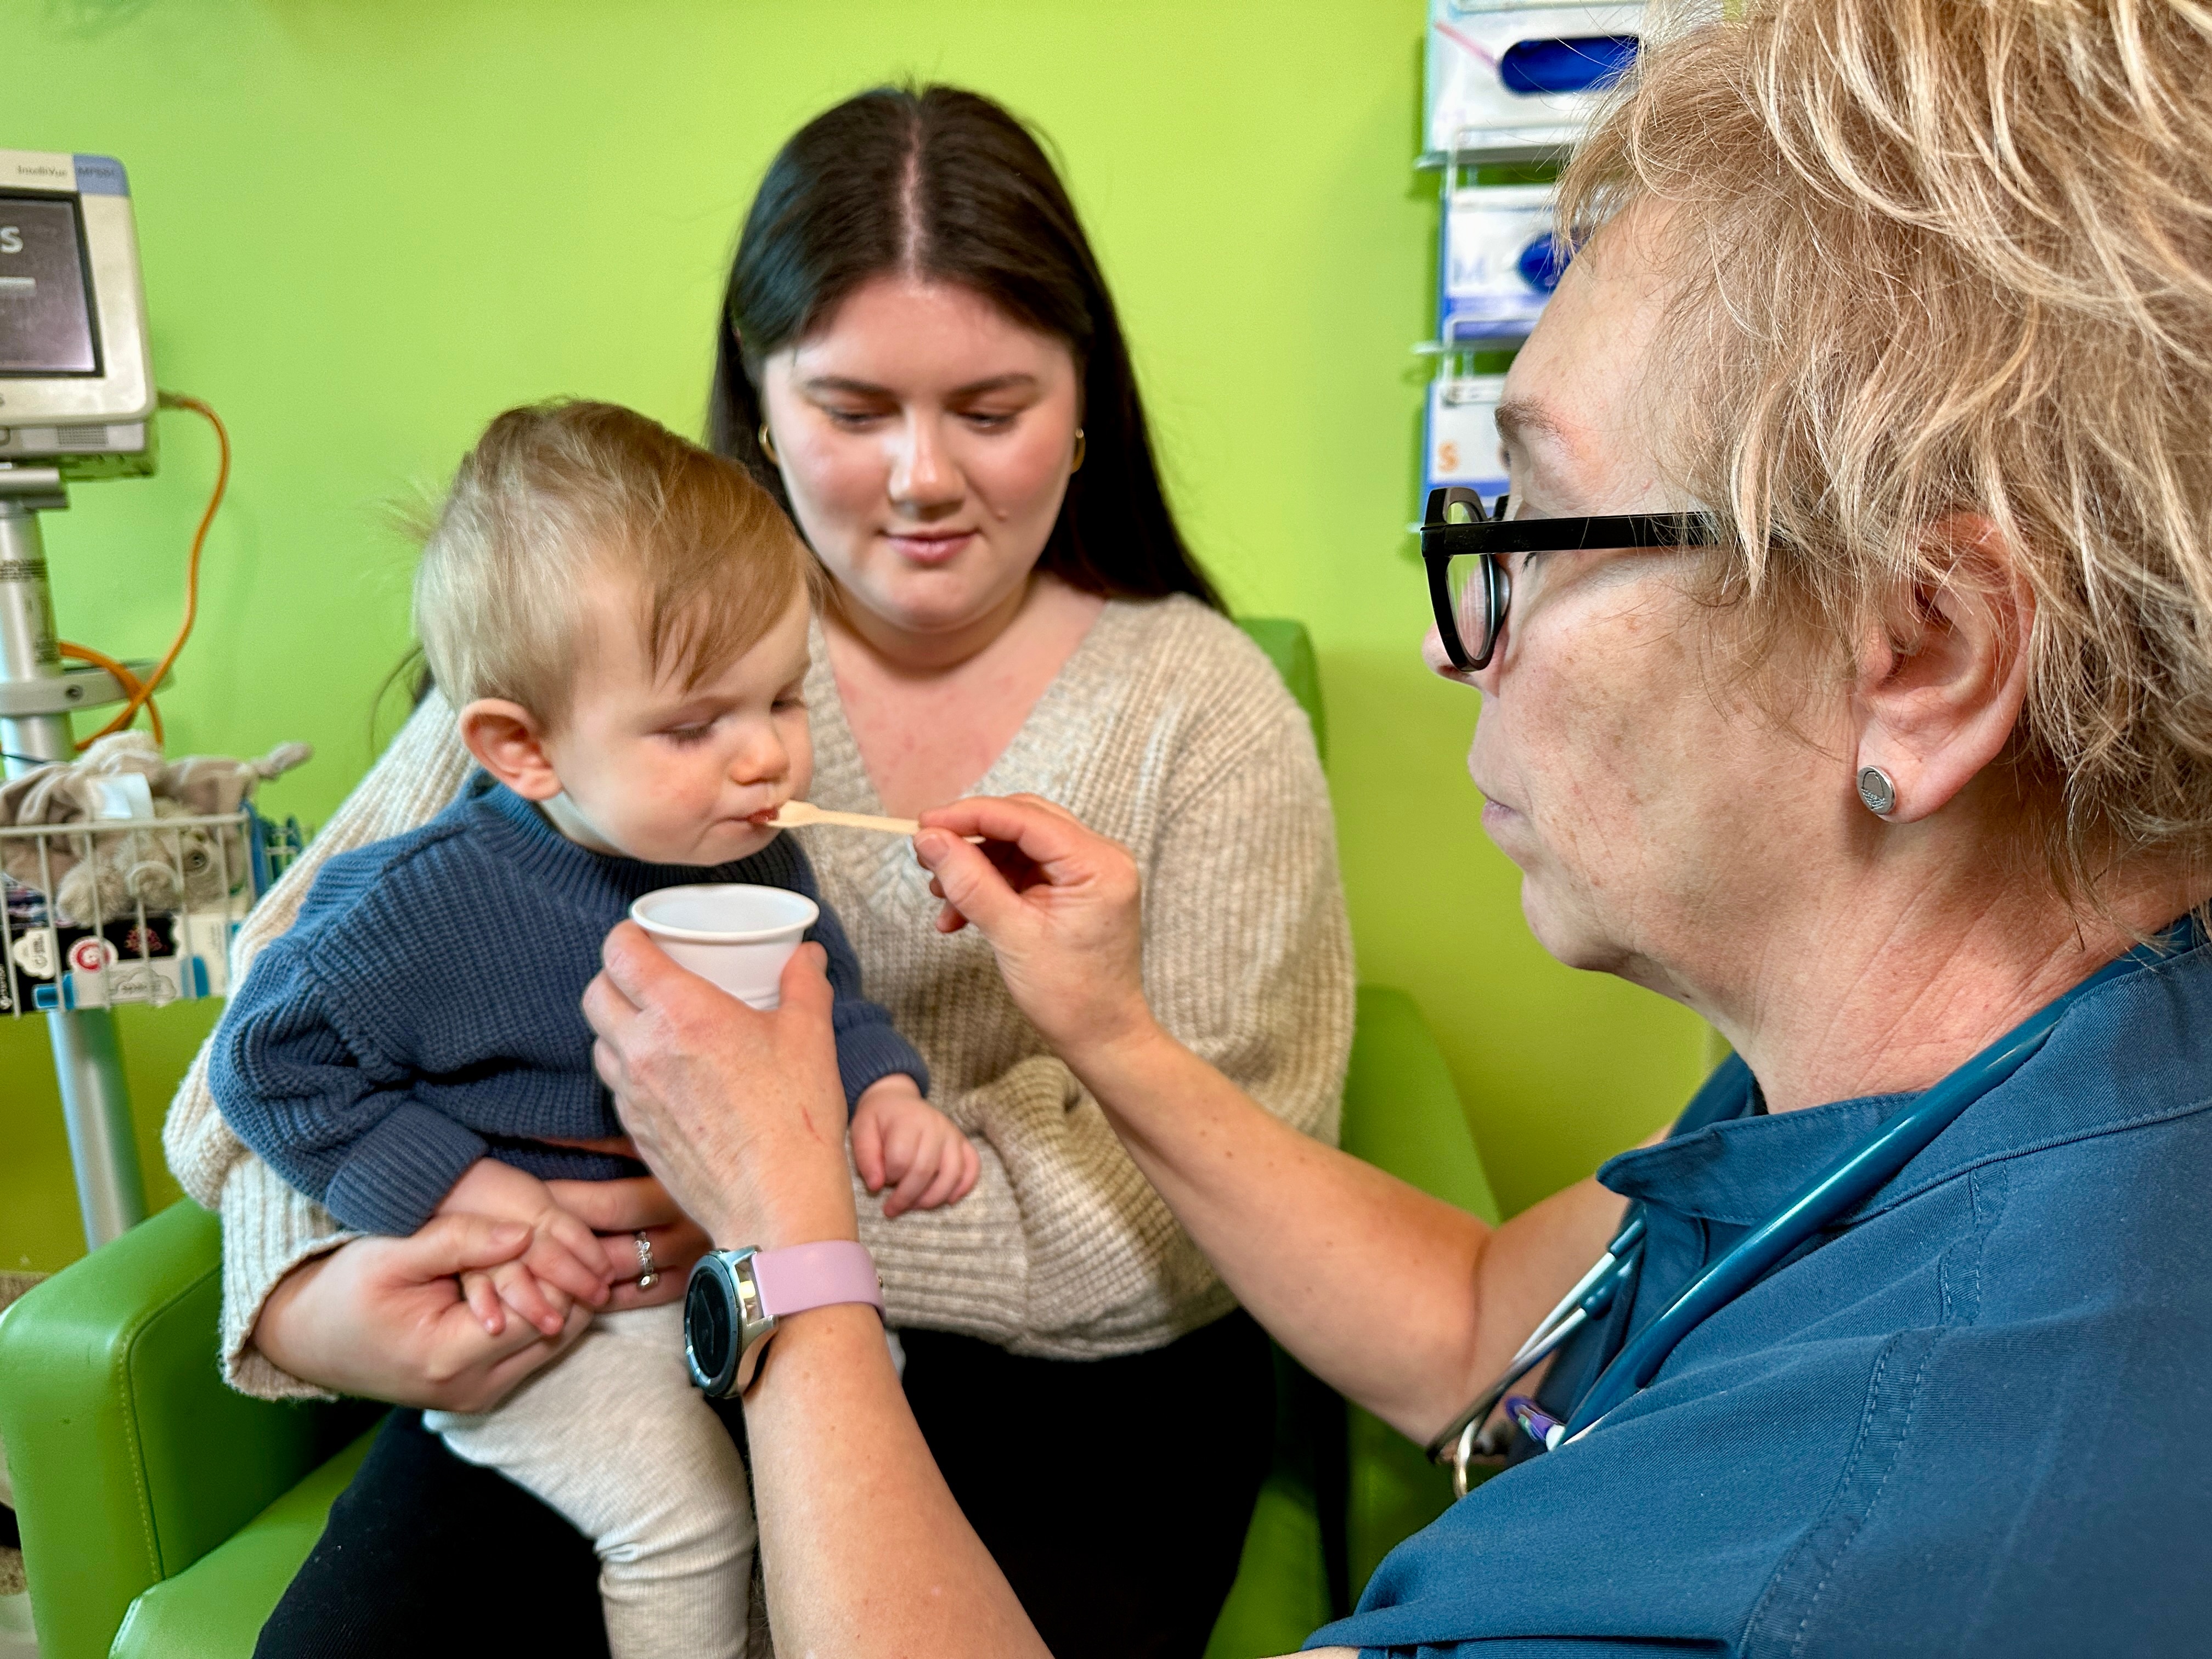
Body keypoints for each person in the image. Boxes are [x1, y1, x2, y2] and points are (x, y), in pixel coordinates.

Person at [571, 1, 2212, 1652]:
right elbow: (1479, 1324)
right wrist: (1112, 1035)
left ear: (1926, 655)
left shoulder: (1818, 1546)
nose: (1453, 639)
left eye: (1549, 527)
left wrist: (789, 1244)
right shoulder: (1977, 1067)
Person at [161, 84, 1351, 1659]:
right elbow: (259, 1061)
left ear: (1088, 409)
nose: (922, 478)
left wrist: (751, 1205)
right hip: (596, 1325)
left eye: (990, 410)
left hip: (1052, 1386)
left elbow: (1215, 1189)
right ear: (760, 404)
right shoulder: (592, 657)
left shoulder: (1204, 715)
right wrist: (318, 1292)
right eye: (854, 414)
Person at [206, 400, 972, 1659]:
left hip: (727, 1276)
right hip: (549, 1315)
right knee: (691, 1527)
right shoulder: (424, 906)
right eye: (692, 726)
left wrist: (888, 1095)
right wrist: (455, 1188)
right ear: (523, 749)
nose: (764, 759)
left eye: (783, 698)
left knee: (844, 1462)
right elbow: (261, 1064)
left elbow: (827, 997)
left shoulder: (760, 853)